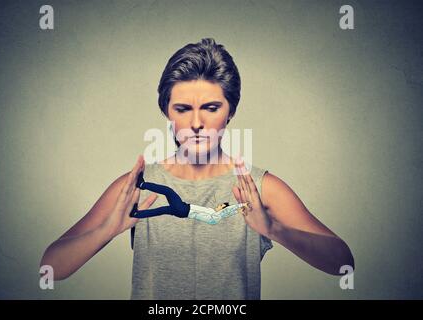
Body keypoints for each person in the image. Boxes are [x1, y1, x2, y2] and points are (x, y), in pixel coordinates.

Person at [40, 38, 355, 299]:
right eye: (183, 109)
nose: (196, 123)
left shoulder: (258, 188)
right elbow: (50, 269)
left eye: (211, 108)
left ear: (230, 111)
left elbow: (343, 264)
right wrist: (106, 230)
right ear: (167, 111)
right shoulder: (138, 186)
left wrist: (275, 230)